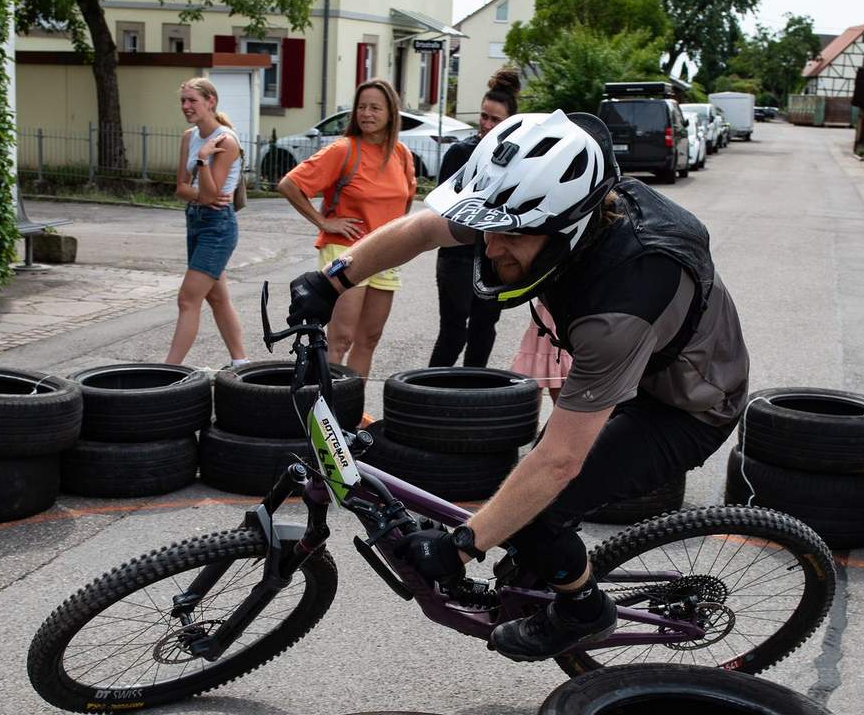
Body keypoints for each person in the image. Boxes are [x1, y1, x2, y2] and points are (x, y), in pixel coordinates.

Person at [287, 111, 750, 661]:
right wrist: (331, 281)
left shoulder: (620, 305)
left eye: (508, 237)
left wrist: (461, 547)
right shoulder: (530, 212)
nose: (490, 248)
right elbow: (424, 229)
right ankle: (545, 566)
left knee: (536, 509)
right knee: (523, 512)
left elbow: (558, 463)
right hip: (633, 367)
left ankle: (584, 611)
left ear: (567, 229)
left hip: (688, 404)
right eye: (488, 231)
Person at [277, 78, 416, 378]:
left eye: (375, 108)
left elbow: (406, 200)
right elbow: (289, 184)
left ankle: (353, 402)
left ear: (391, 113)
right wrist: (324, 222)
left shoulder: (401, 154)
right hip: (346, 251)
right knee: (341, 338)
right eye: (361, 107)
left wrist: (397, 237)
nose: (366, 113)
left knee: (369, 338)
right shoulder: (343, 150)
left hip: (386, 252)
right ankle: (330, 401)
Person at [427, 69, 520, 367]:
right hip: (457, 255)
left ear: (511, 123)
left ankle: (473, 389)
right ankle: (428, 391)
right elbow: (441, 208)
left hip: (494, 256)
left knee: (483, 329)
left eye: (496, 120)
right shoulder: (459, 152)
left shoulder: (518, 158)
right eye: (483, 116)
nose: (487, 124)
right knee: (453, 333)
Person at [166, 78, 249, 368]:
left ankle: (168, 370)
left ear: (210, 101)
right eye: (183, 101)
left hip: (218, 227)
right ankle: (241, 362)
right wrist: (200, 194)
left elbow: (211, 194)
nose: (186, 106)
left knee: (187, 299)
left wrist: (202, 162)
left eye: (192, 100)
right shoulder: (189, 137)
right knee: (217, 298)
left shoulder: (226, 141)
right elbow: (180, 188)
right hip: (196, 220)